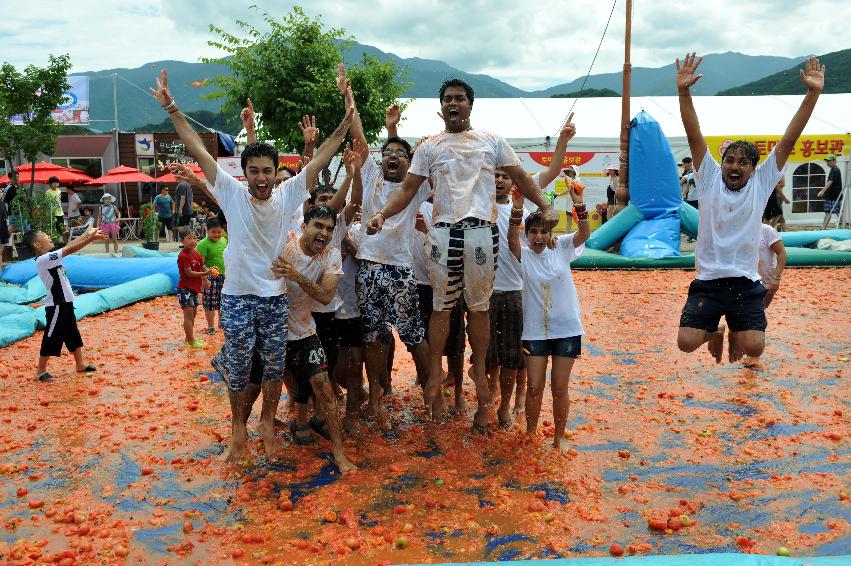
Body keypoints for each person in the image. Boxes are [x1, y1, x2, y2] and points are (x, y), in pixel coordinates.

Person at [150, 68, 355, 461]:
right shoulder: (232, 194)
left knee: (275, 368)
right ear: (244, 174)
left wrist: (347, 119)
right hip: (238, 297)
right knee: (242, 369)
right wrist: (173, 109)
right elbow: (197, 148)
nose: (262, 178)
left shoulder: (288, 195)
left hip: (274, 298)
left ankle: (265, 422)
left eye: (267, 171)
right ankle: (237, 430)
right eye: (254, 171)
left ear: (276, 174)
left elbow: (325, 153)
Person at [366, 77, 557, 431]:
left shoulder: (492, 141)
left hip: (482, 231)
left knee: (478, 307)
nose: (454, 104)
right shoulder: (429, 147)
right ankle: (437, 374)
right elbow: (408, 190)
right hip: (443, 233)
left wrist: (545, 204)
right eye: (448, 99)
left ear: (470, 105)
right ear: (441, 109)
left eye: (460, 99)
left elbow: (522, 176)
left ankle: (481, 370)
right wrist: (381, 214)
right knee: (442, 307)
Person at [675, 53, 824, 364]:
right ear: (721, 163)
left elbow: (789, 140)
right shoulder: (710, 177)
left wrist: (812, 94)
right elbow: (693, 134)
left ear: (754, 169)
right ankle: (715, 330)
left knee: (754, 347)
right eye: (730, 160)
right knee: (686, 343)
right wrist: (684, 93)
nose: (735, 166)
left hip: (745, 281)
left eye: (743, 162)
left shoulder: (761, 183)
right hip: (709, 280)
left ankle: (733, 331)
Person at [345, 91, 433, 420]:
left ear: (411, 164)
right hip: (368, 269)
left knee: (414, 337)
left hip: (400, 272)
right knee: (374, 338)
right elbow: (359, 135)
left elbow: (415, 162)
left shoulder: (416, 186)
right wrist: (349, 96)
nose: (391, 156)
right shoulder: (370, 177)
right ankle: (378, 398)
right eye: (388, 153)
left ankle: (431, 394)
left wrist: (400, 135)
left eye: (399, 154)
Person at [488, 116, 577, 422]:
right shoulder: (478, 202)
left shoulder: (524, 197)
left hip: (517, 290)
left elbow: (553, 171)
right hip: (486, 290)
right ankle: (497, 400)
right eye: (495, 175)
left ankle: (519, 400)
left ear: (515, 181)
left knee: (519, 355)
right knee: (489, 356)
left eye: (505, 175)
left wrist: (563, 140)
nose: (500, 180)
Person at [272, 205, 356, 473]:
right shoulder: (286, 243)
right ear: (304, 226)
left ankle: (340, 454)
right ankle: (247, 437)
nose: (325, 233)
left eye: (330, 229)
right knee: (262, 389)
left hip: (306, 331)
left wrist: (297, 276)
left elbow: (325, 296)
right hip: (274, 331)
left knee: (326, 392)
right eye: (318, 226)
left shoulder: (331, 254)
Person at [508, 180, 590, 450]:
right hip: (535, 331)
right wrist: (517, 208)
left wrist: (579, 204)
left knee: (559, 388)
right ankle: (531, 435)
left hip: (566, 329)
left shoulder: (562, 247)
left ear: (550, 233)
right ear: (527, 234)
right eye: (533, 232)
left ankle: (559, 437)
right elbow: (511, 239)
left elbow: (584, 234)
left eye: (544, 231)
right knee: (534, 387)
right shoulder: (525, 255)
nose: (539, 237)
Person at [23, 224, 104, 381]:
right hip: (57, 305)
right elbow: (69, 250)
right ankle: (41, 370)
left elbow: (68, 246)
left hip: (65, 303)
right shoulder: (43, 260)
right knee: (52, 335)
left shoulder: (51, 256)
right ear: (37, 245)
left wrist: (86, 234)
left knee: (72, 333)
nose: (49, 237)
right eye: (45, 235)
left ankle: (80, 364)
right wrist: (90, 239)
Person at [177, 229, 210, 348]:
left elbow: (203, 267)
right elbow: (189, 273)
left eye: (195, 238)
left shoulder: (196, 254)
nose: (193, 241)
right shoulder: (183, 256)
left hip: (194, 289)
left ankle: (188, 338)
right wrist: (205, 275)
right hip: (185, 289)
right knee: (188, 315)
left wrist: (210, 272)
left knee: (193, 314)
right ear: (182, 241)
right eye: (189, 238)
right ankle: (191, 341)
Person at [196, 216, 227, 335]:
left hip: (224, 276)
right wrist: (204, 279)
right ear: (207, 231)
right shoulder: (203, 244)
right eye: (213, 232)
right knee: (210, 302)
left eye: (219, 232)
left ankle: (221, 322)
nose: (217, 235)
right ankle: (210, 326)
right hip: (210, 277)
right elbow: (200, 264)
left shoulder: (224, 241)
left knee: (223, 300)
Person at [818, 154, 842, 228]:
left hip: (834, 196)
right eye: (827, 161)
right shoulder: (834, 169)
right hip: (833, 195)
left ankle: (823, 227)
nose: (827, 163)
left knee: (833, 212)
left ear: (834, 161)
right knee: (831, 212)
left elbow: (830, 181)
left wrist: (822, 191)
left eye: (829, 161)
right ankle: (823, 227)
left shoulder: (835, 169)